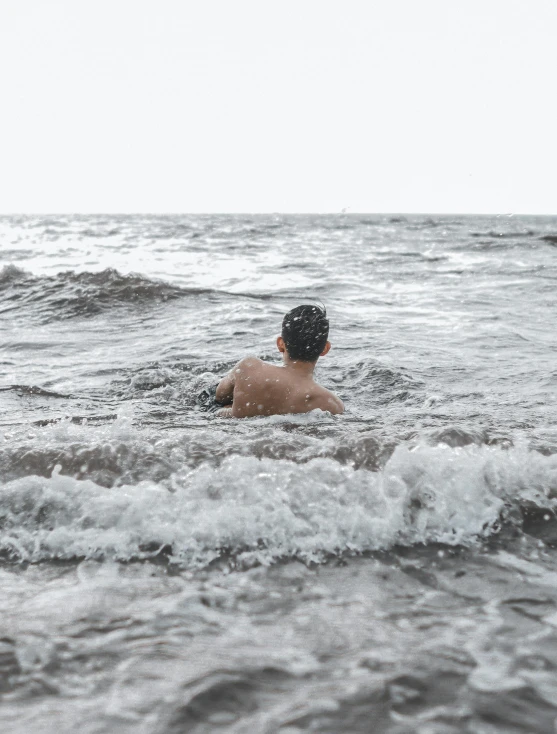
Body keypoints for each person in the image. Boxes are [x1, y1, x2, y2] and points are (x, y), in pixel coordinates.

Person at [215, 304, 344, 418]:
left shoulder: (249, 368)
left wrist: (230, 410)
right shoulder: (332, 404)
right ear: (325, 349)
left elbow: (219, 395)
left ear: (280, 343)